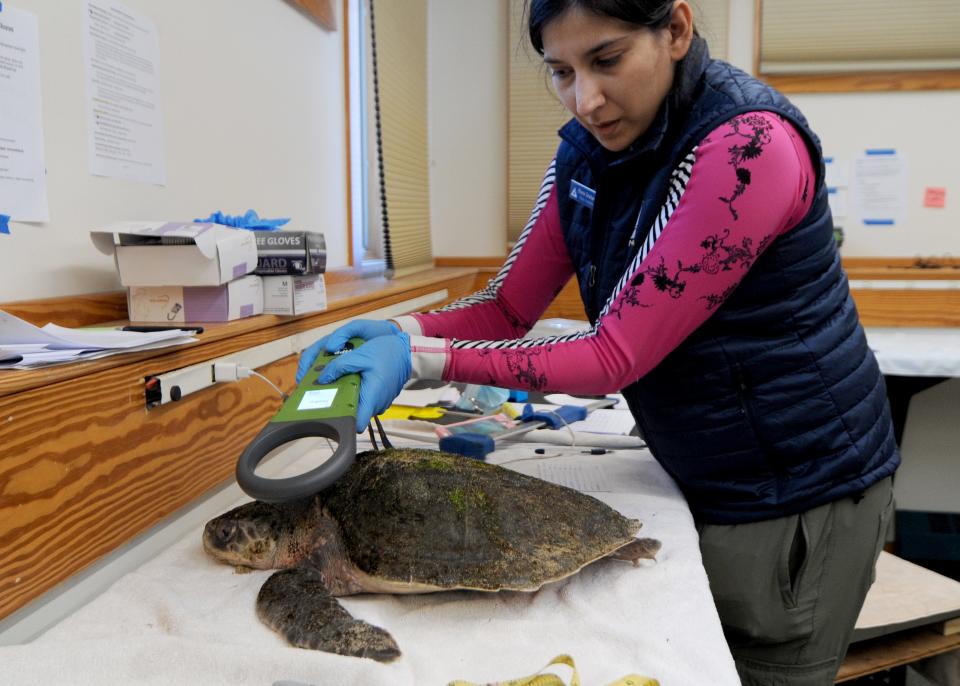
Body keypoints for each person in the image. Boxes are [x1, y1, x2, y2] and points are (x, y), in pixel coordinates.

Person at [298, 2, 898, 683]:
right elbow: (507, 305)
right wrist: (401, 330)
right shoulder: (586, 152)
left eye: (606, 61)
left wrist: (416, 360)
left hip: (794, 488)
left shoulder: (747, 148)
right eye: (560, 71)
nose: (585, 99)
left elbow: (616, 353)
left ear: (674, 30)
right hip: (702, 464)